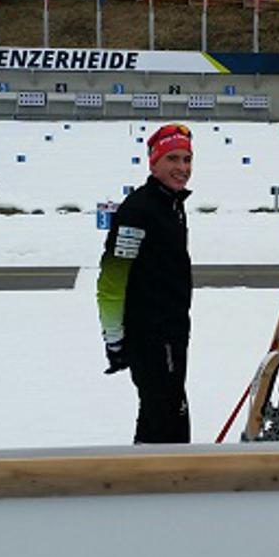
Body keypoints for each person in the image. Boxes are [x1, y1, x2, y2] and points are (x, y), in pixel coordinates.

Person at [97, 123, 194, 443]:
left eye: (187, 159)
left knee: (159, 416)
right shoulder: (139, 210)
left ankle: (144, 479)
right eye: (173, 159)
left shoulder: (171, 205)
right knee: (171, 418)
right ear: (153, 163)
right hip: (151, 335)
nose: (182, 168)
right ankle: (169, 487)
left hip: (172, 329)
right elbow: (111, 279)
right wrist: (114, 338)